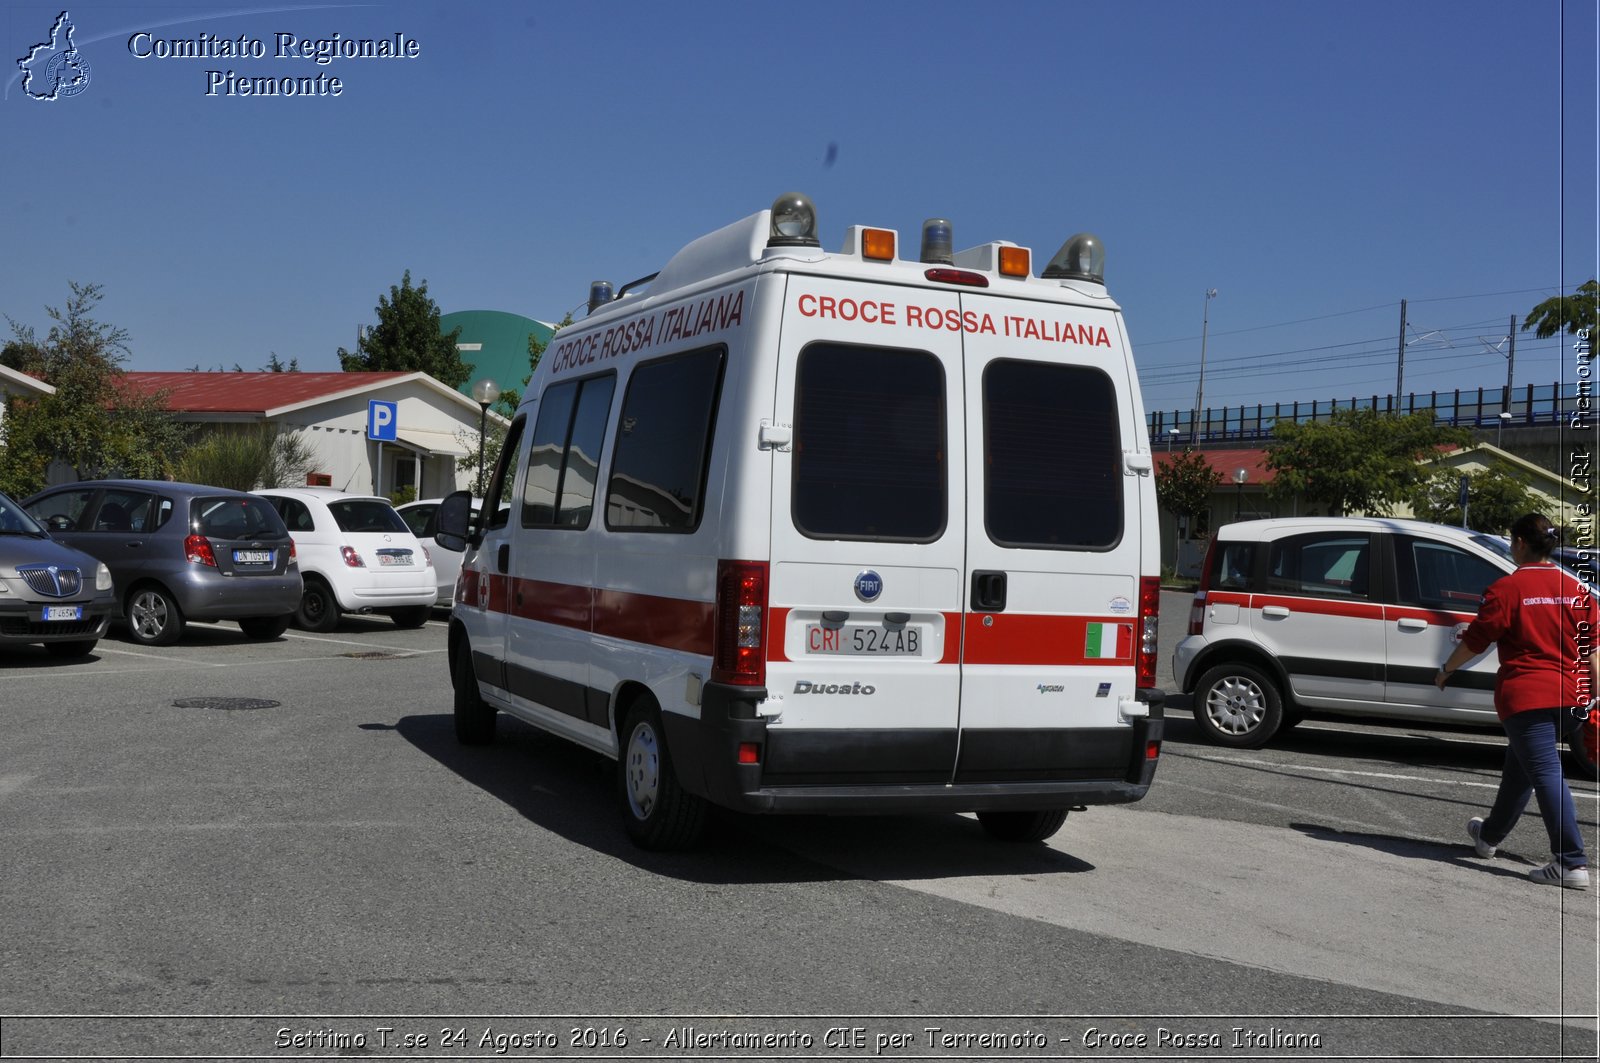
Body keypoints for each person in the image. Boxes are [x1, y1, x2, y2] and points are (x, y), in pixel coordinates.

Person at [1437, 513, 1598, 889]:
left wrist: (1445, 670)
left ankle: (1570, 862)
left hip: (1527, 698)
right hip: (1572, 698)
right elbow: (1593, 651)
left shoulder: (1507, 589)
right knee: (1521, 765)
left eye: (1511, 541)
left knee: (1544, 773)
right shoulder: (1577, 590)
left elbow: (1477, 640)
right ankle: (1489, 837)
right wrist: (1596, 698)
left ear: (1520, 543)